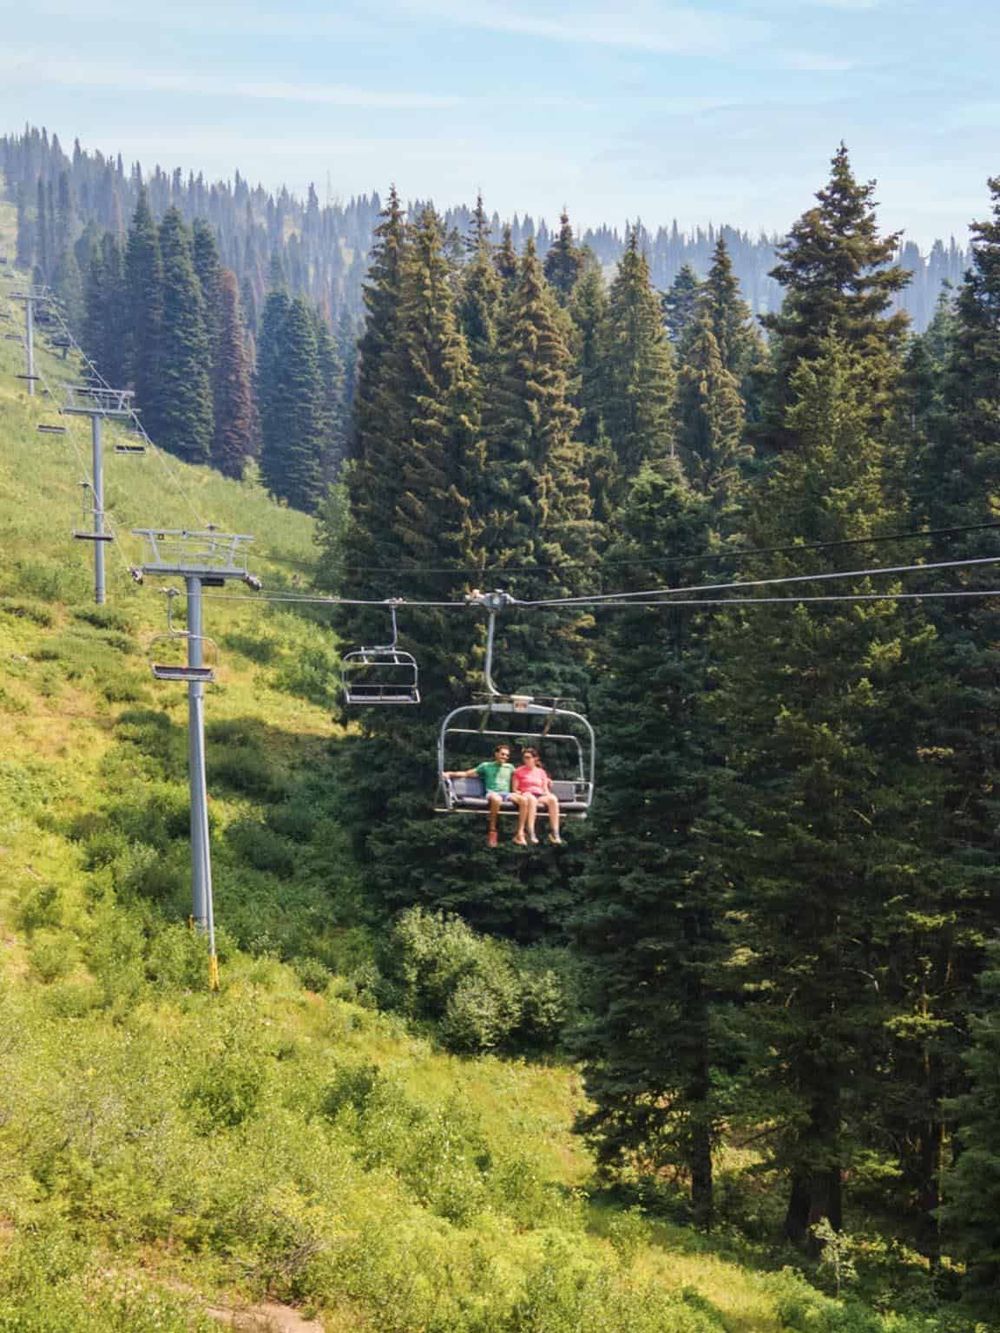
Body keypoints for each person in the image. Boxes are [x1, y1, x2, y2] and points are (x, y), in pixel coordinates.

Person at [443, 743, 526, 848]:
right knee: (496, 799)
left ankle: (520, 833)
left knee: (523, 800)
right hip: (492, 793)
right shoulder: (486, 766)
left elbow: (521, 776)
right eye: (502, 754)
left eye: (507, 755)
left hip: (506, 794)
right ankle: (492, 830)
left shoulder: (510, 767)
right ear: (496, 754)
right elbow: (467, 773)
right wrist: (449, 774)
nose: (504, 757)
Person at [512, 746, 562, 845]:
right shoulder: (518, 771)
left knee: (553, 799)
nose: (526, 760)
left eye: (528, 757)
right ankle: (530, 830)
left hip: (539, 795)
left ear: (535, 759)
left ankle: (555, 832)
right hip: (526, 794)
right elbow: (515, 789)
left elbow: (545, 789)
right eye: (524, 758)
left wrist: (548, 794)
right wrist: (522, 794)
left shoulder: (541, 772)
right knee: (532, 799)